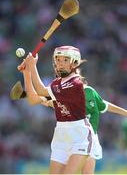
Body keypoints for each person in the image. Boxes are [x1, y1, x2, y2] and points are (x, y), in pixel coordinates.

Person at [17, 45, 107, 174]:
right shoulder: (56, 84)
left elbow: (41, 90)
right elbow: (33, 99)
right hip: (60, 134)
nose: (60, 64)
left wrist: (32, 65)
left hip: (79, 136)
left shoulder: (75, 83)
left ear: (74, 63)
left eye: (65, 60)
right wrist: (27, 72)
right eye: (58, 60)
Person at [41, 71, 127, 174]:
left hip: (88, 139)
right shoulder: (62, 96)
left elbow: (104, 105)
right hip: (70, 139)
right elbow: (43, 98)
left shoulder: (89, 92)